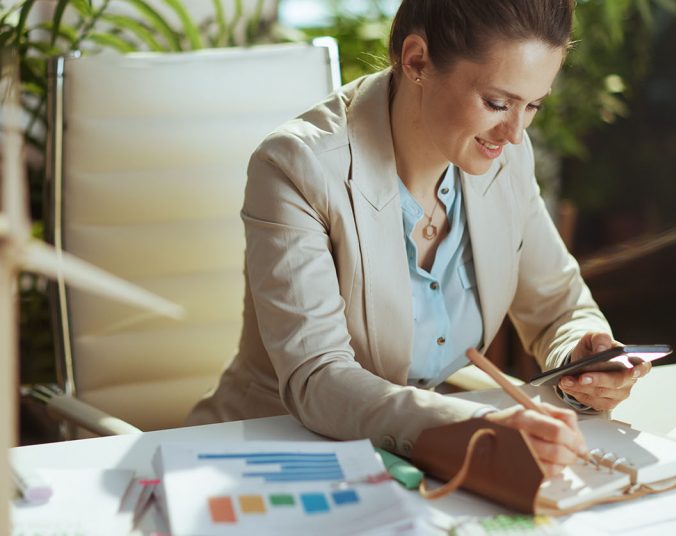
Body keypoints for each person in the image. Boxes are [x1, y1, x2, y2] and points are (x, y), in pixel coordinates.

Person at [187, 0, 650, 477]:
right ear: (417, 61)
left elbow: (556, 306)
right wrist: (471, 421)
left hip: (409, 466)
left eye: (531, 105)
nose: (514, 133)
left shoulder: (504, 159)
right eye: (496, 102)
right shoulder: (297, 167)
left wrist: (581, 357)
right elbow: (318, 378)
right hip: (275, 456)